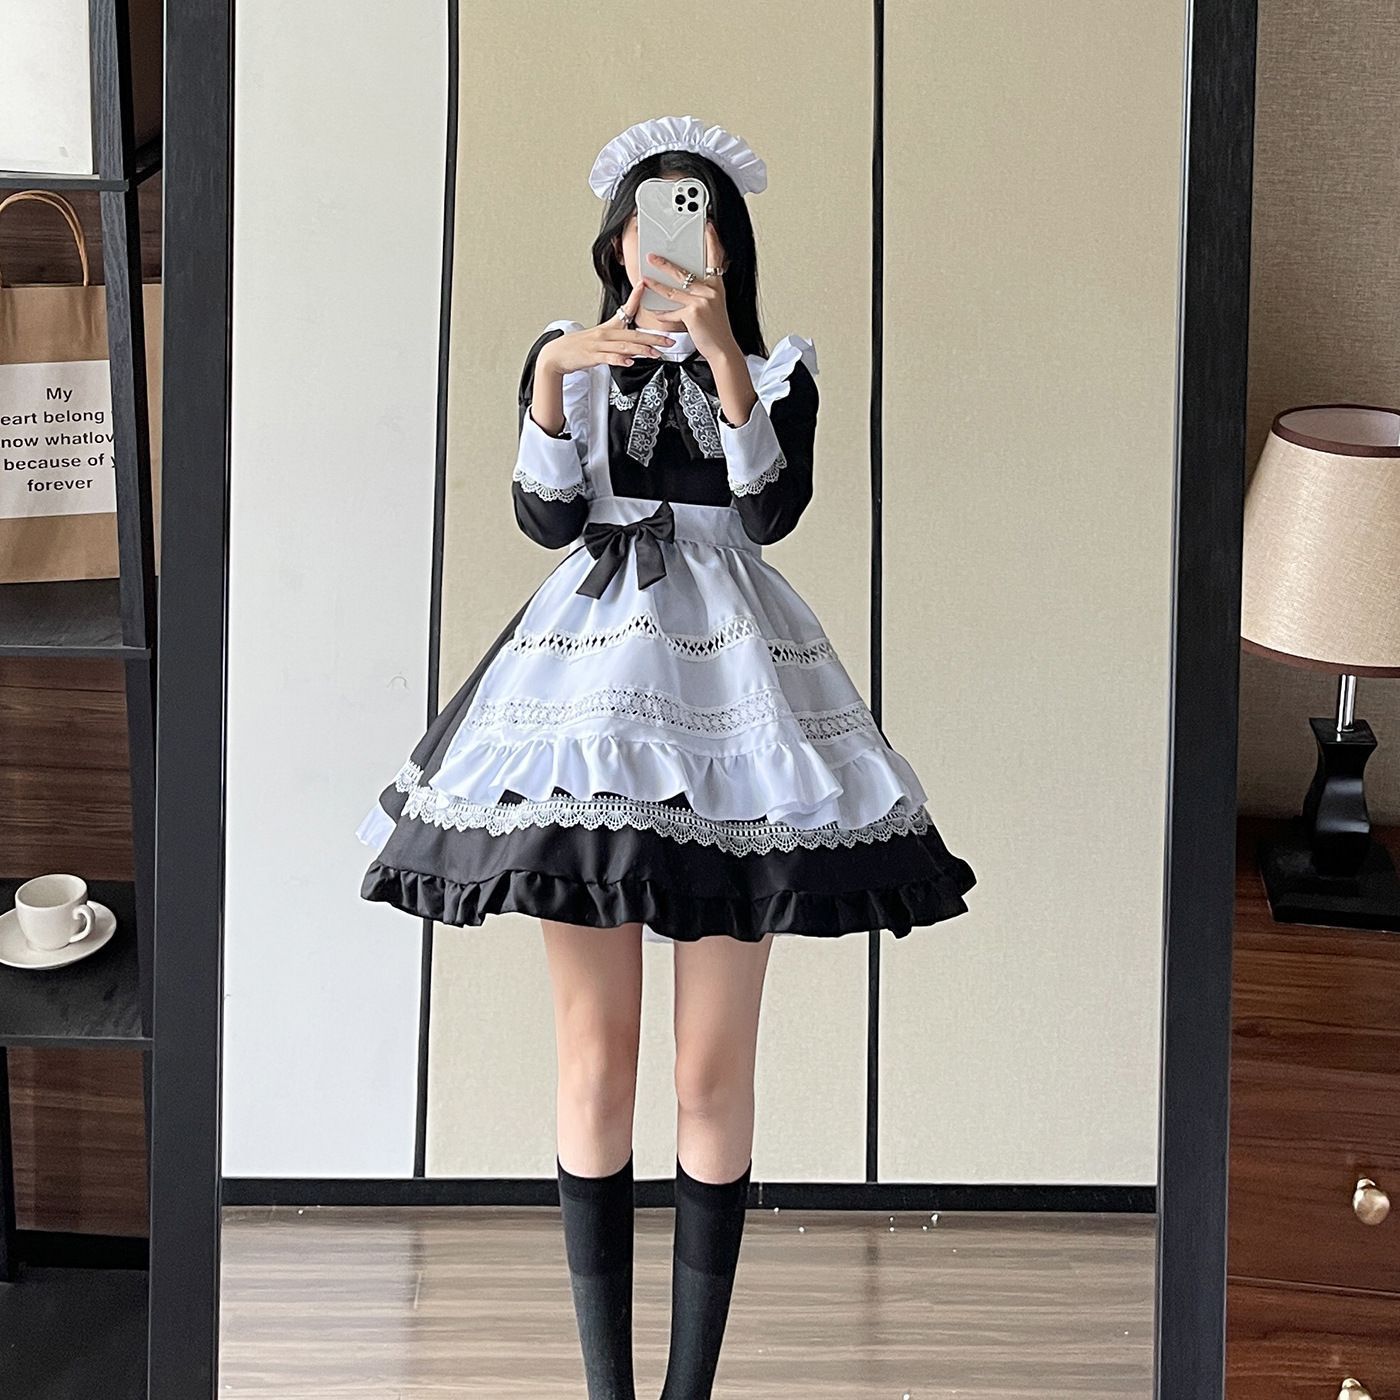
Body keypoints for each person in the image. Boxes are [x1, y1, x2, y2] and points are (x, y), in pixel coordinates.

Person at [355, 113, 977, 1399]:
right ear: (619, 238)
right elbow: (544, 517)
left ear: (725, 245)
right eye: (651, 214)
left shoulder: (775, 370)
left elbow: (770, 509)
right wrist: (552, 376)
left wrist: (723, 353)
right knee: (595, 1057)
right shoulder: (568, 359)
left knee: (707, 1069)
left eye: (695, 217)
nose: (669, 236)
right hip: (585, 683)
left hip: (735, 689)